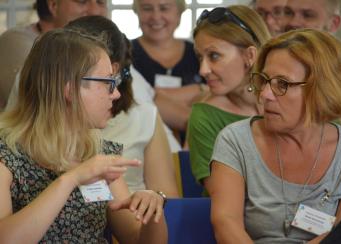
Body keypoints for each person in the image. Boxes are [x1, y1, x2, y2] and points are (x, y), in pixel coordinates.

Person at [0, 29, 167, 243]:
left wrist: (151, 211)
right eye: (107, 82)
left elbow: (136, 239)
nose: (116, 93)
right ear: (70, 89)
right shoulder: (7, 155)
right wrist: (72, 179)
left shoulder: (98, 153)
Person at [208, 28, 341, 243]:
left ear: (323, 89)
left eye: (282, 84)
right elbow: (226, 223)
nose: (265, 94)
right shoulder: (235, 140)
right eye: (264, 80)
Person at [65, 15, 180, 197]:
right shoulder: (49, 127)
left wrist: (153, 200)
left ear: (113, 70)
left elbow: (167, 200)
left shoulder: (142, 117)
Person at [187, 5, 271, 188]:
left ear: (250, 56)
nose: (203, 70)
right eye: (200, 58)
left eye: (214, 56)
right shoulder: (205, 116)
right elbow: (226, 198)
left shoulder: (297, 101)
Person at [0, 0, 108, 109]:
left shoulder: (101, 50)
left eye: (101, 2)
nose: (95, 11)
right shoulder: (17, 41)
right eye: (82, 1)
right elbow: (38, 105)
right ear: (53, 5)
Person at [282, 0, 341, 134]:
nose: (293, 22)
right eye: (288, 13)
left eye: (308, 15)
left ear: (333, 24)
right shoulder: (275, 59)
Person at [131, 0, 207, 134]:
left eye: (164, 8)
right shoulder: (124, 55)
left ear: (179, 13)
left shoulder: (200, 54)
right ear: (137, 12)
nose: (155, 16)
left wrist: (155, 96)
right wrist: (195, 91)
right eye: (147, 8)